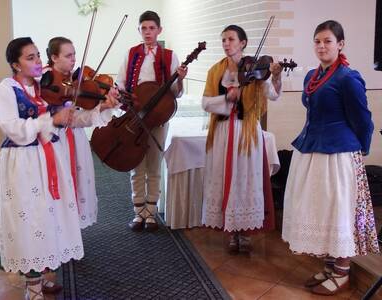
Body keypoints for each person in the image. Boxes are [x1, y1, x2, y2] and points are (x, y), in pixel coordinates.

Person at [0, 37, 118, 300]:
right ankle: (33, 288)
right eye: (30, 58)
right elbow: (14, 130)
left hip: (50, 158)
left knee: (49, 219)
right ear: (15, 64)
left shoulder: (47, 88)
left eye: (38, 55)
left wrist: (103, 107)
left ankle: (42, 276)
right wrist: (50, 118)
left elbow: (72, 120)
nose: (38, 61)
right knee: (30, 220)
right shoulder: (4, 90)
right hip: (23, 164)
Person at [282, 20, 379, 296]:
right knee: (320, 209)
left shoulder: (348, 78)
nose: (321, 46)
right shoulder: (311, 75)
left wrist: (359, 152)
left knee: (338, 211)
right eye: (317, 41)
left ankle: (343, 271)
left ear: (340, 44)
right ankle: (328, 265)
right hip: (312, 149)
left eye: (327, 41)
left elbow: (363, 120)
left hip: (338, 154)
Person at [201, 25, 282, 254]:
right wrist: (227, 97)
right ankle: (230, 231)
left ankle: (244, 232)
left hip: (246, 132)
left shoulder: (256, 69)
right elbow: (206, 103)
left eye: (231, 39)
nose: (226, 43)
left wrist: (275, 75)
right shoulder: (216, 70)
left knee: (245, 180)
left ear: (243, 43)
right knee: (225, 177)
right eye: (224, 40)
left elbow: (273, 95)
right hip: (223, 132)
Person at [115, 10, 187, 232]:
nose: (147, 32)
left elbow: (175, 92)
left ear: (159, 30)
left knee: (154, 165)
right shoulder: (131, 54)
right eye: (143, 28)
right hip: (135, 118)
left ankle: (151, 213)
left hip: (157, 118)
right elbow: (120, 83)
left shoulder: (169, 56)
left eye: (151, 28)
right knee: (136, 165)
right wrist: (126, 101)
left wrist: (180, 80)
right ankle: (138, 213)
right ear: (139, 30)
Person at [45, 36, 120, 229]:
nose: (74, 59)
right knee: (58, 186)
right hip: (53, 142)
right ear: (54, 57)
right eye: (68, 55)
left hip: (76, 141)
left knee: (78, 185)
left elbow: (80, 119)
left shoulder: (75, 81)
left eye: (75, 54)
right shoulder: (45, 82)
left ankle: (72, 232)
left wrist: (103, 106)